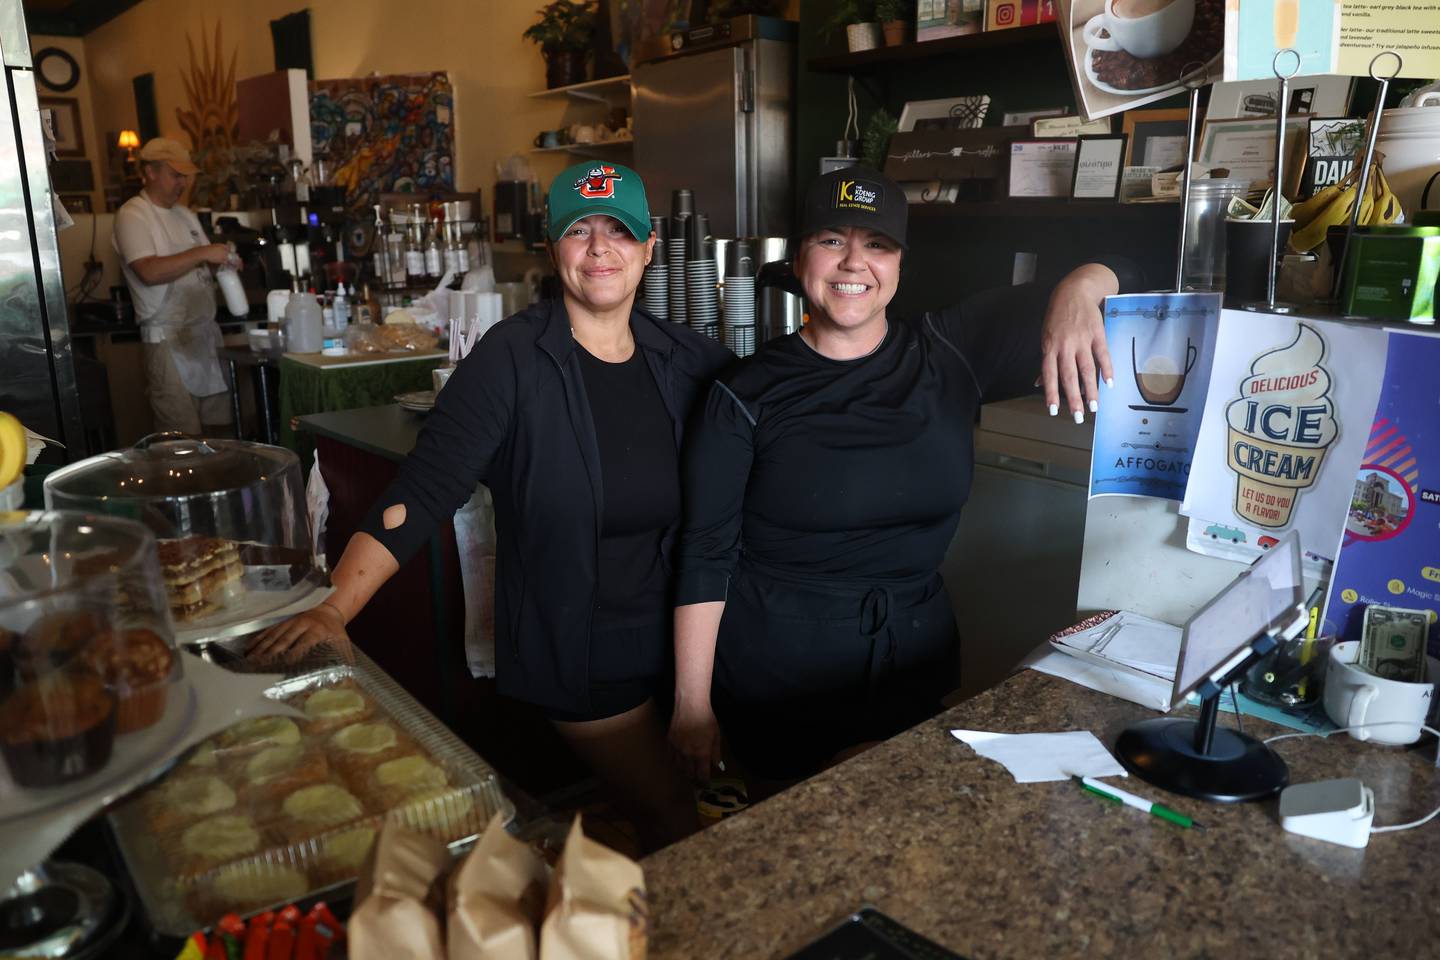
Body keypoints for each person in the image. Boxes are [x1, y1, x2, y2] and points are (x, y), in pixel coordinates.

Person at [255, 162, 731, 852]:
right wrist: (334, 608)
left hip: (682, 642)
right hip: (582, 648)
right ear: (552, 248)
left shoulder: (683, 359)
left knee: (710, 808)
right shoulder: (510, 360)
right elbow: (419, 495)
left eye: (619, 232)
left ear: (649, 246)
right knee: (675, 820)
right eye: (579, 231)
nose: (600, 249)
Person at [668, 167, 1125, 788]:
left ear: (900, 264)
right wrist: (692, 706)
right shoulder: (745, 392)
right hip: (780, 673)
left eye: (877, 244)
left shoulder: (951, 352)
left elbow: (1136, 267)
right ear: (799, 256)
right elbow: (705, 554)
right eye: (832, 240)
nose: (854, 261)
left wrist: (1080, 287)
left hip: (913, 659)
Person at [112, 137, 235, 436]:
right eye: (175, 175)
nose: (182, 183)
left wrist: (225, 261)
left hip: (204, 339)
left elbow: (208, 262)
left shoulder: (185, 215)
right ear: (151, 172)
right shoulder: (132, 215)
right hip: (168, 342)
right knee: (182, 441)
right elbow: (149, 272)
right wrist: (203, 253)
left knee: (221, 436)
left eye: (185, 176)